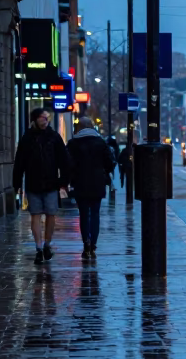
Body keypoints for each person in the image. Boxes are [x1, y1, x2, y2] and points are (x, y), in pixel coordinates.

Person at [13, 108, 70, 265]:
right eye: (42, 117)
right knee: (36, 215)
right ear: (35, 120)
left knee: (51, 214)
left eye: (46, 117)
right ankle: (39, 247)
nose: (45, 120)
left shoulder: (54, 137)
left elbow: (64, 160)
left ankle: (47, 244)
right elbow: (19, 163)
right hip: (33, 183)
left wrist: (64, 181)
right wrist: (17, 183)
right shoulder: (27, 138)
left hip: (51, 183)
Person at [67, 116, 114, 259]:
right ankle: (93, 244)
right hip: (97, 183)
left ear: (79, 127)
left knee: (83, 214)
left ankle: (85, 242)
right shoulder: (100, 142)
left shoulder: (73, 143)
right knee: (95, 213)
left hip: (80, 183)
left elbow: (67, 163)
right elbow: (110, 163)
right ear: (92, 126)